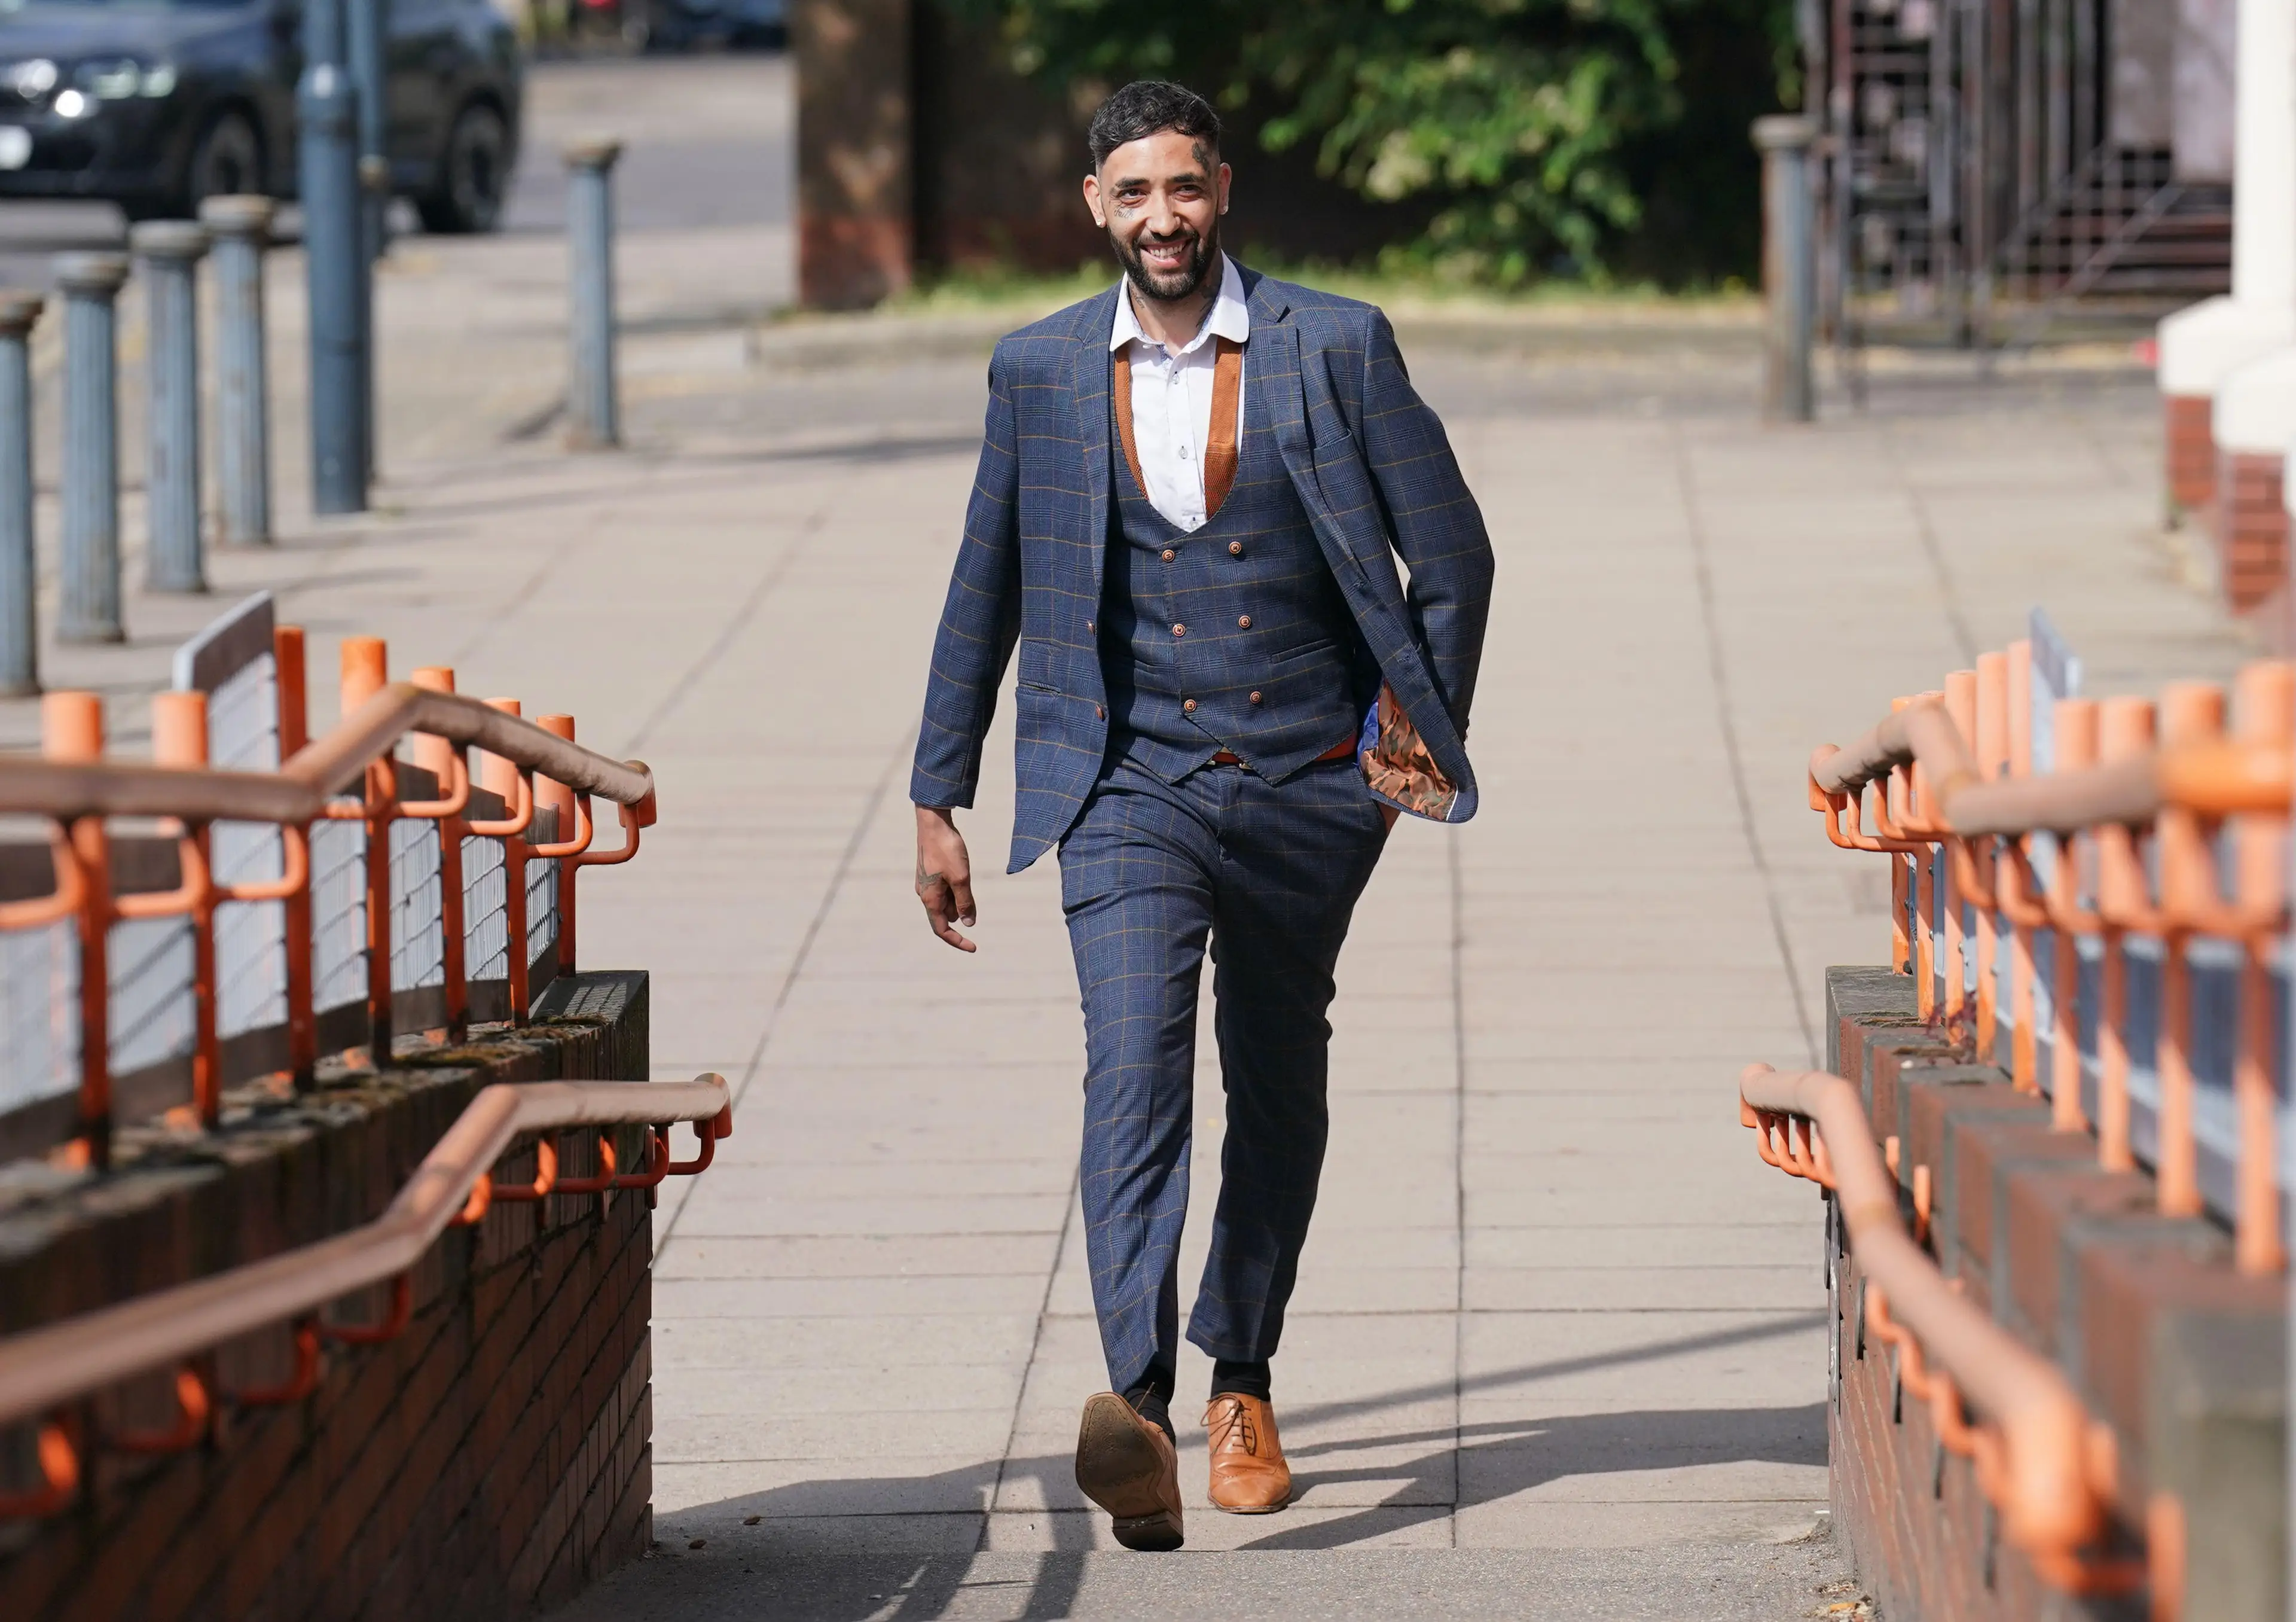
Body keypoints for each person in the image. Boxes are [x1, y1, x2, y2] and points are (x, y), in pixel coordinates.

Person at [908, 79, 1493, 1551]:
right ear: (1094, 208)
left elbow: (1456, 555)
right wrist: (938, 792)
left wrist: (1397, 751)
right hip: (1121, 785)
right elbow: (985, 584)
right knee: (1135, 1071)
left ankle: (1244, 1379)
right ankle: (1141, 1407)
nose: (1160, 219)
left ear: (1221, 190)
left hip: (1310, 783)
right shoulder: (1039, 371)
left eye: (1183, 189)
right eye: (1132, 195)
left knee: (1278, 1081)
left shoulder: (1334, 344)